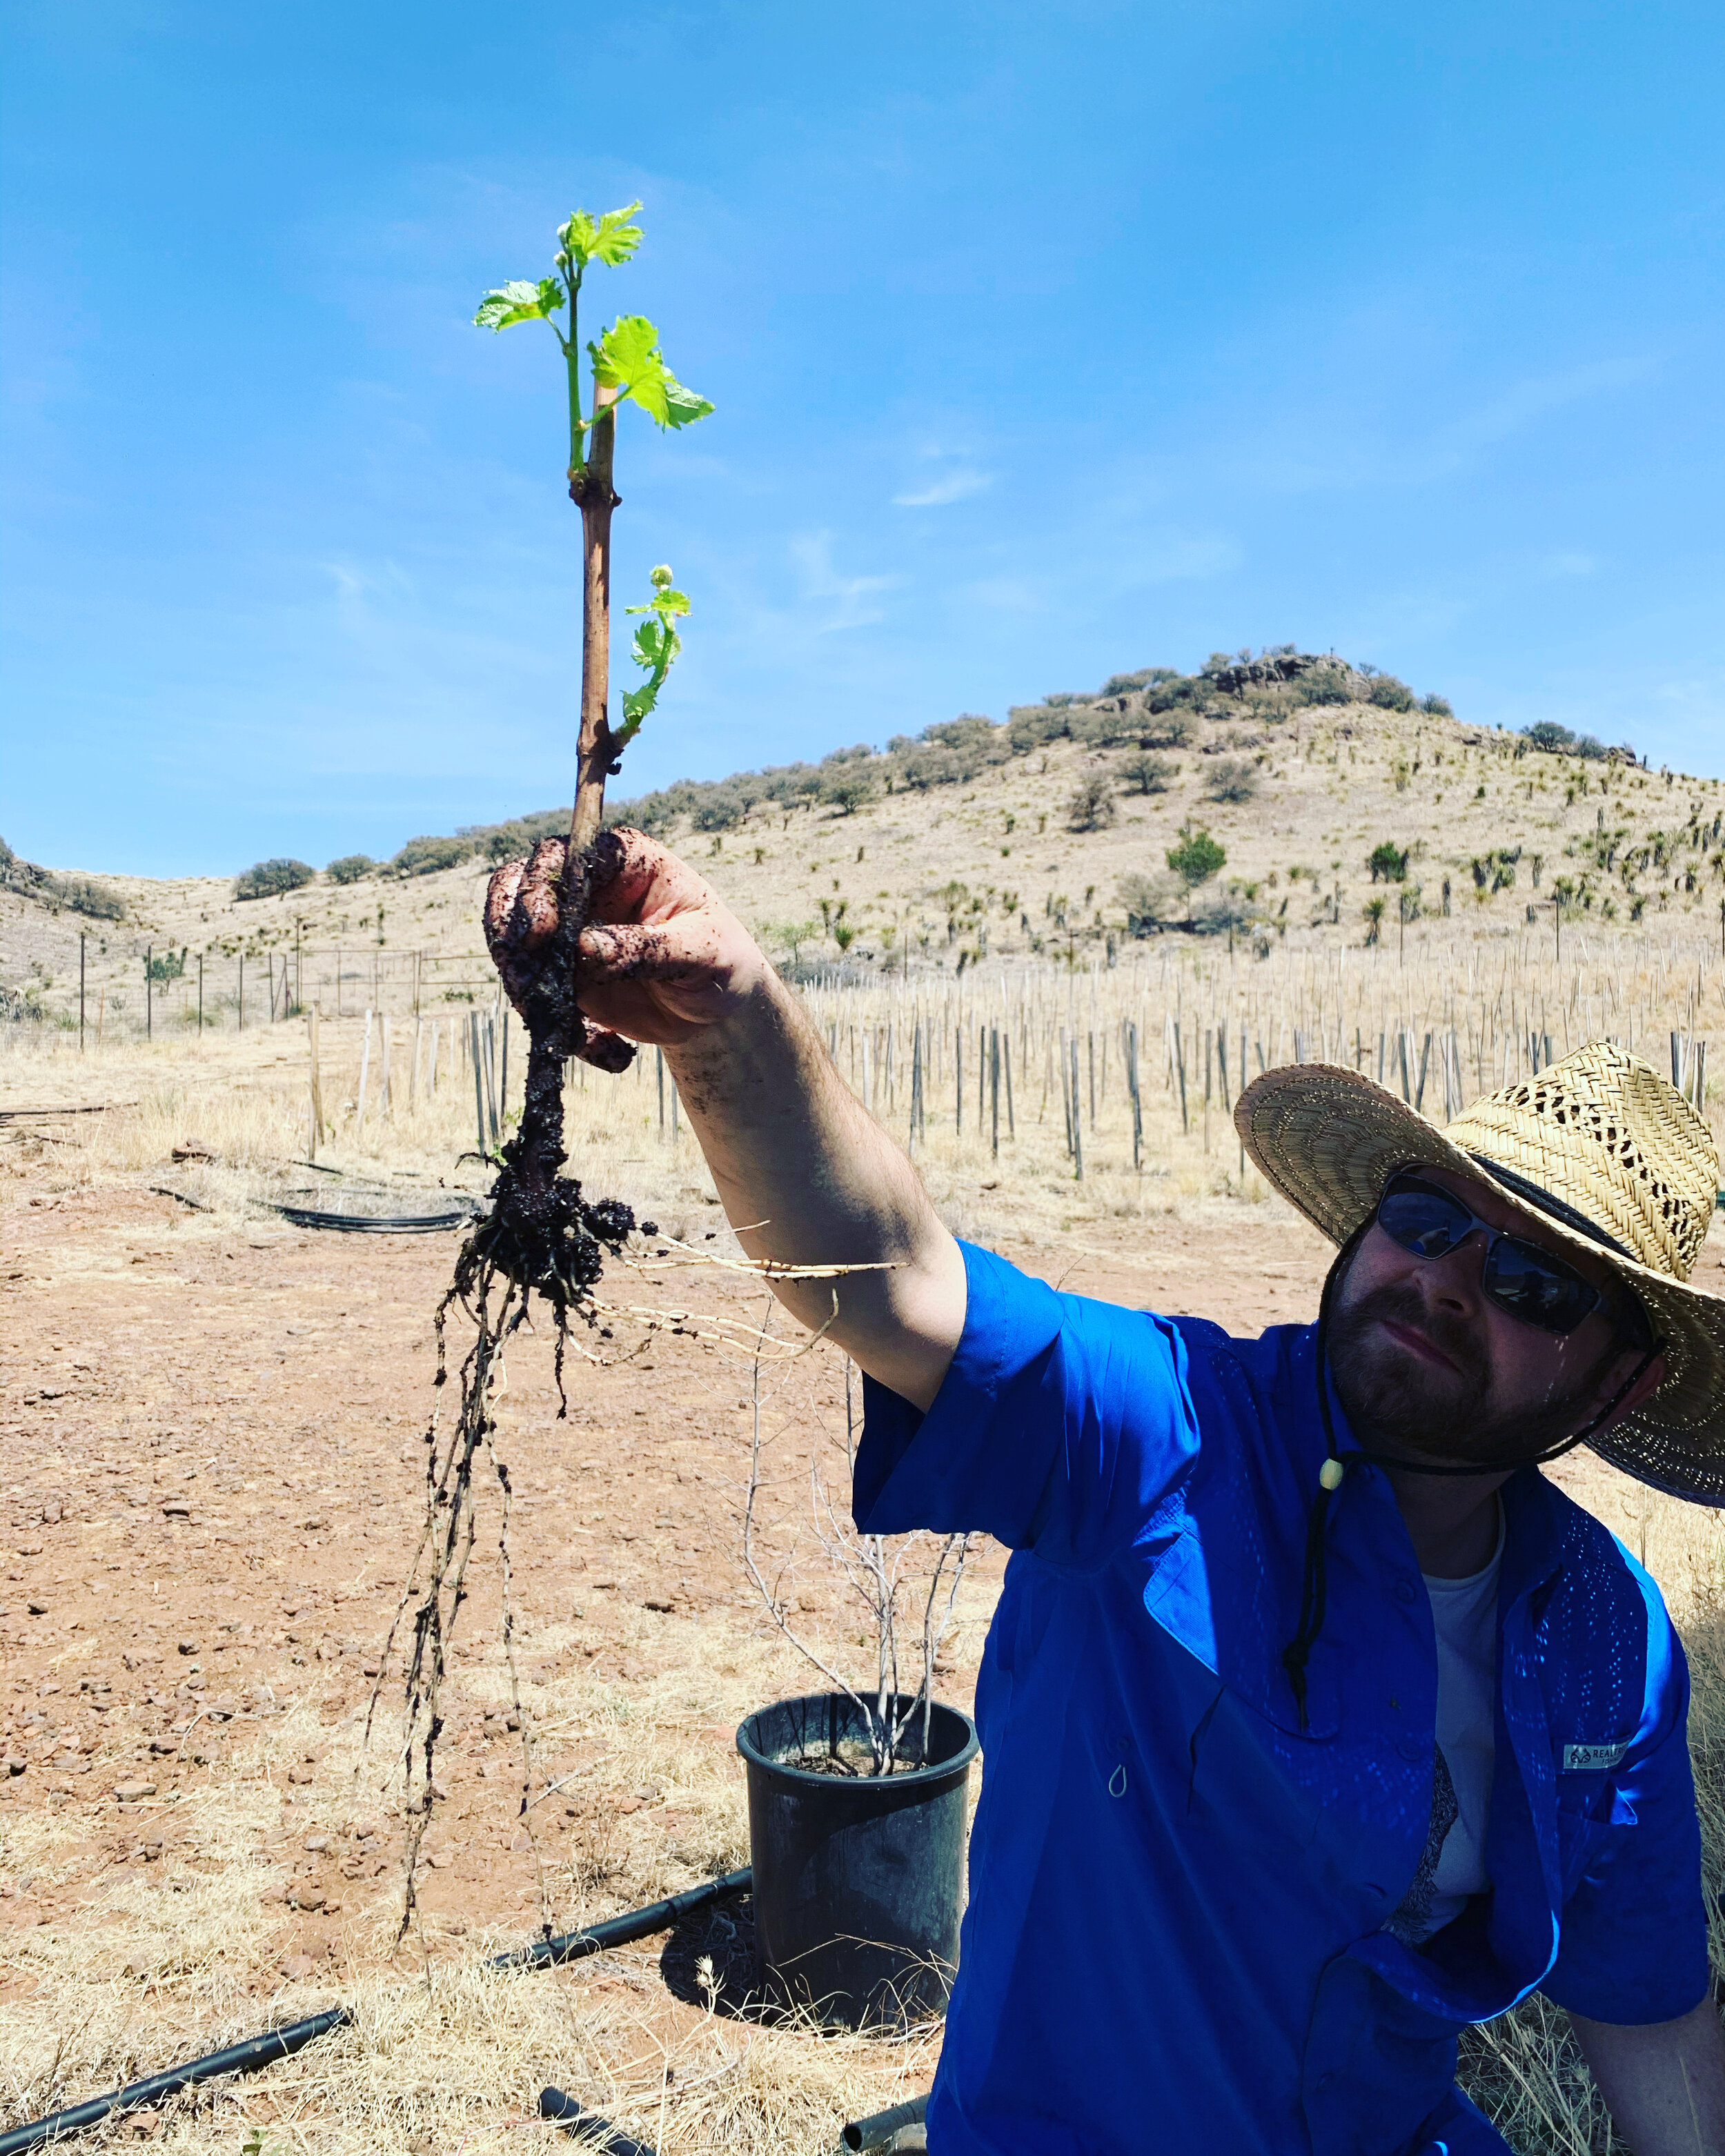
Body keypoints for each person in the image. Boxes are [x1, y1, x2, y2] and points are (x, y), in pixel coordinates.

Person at [486, 828, 1725, 2156]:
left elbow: (1648, 2015)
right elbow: (892, 1279)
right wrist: (729, 1014)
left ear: (1619, 1387)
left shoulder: (1612, 1644)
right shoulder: (1170, 1436)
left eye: (1538, 1283)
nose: (1449, 1277)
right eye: (1429, 1218)